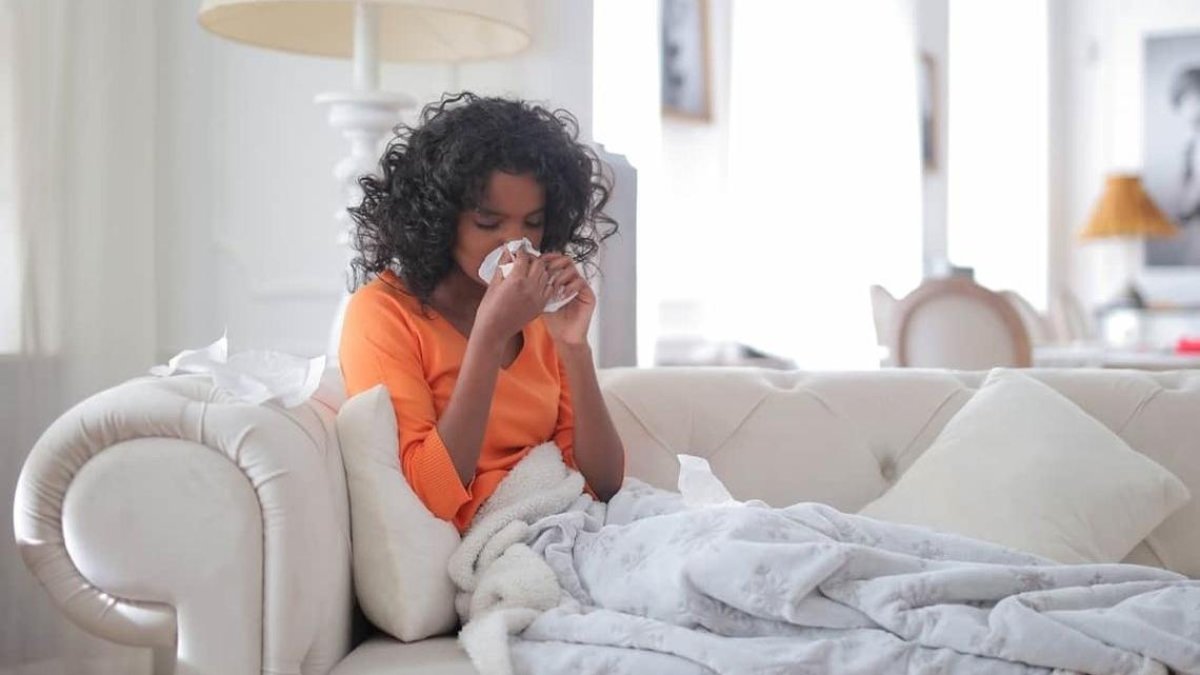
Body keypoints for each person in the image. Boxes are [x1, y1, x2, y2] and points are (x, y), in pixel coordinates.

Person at [338, 92, 626, 533]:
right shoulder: (383, 313)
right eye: (489, 223)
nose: (515, 243)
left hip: (573, 521)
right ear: (439, 217)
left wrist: (574, 347)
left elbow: (604, 484)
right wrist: (490, 338)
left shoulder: (540, 313)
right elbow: (430, 494)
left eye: (533, 223)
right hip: (510, 539)